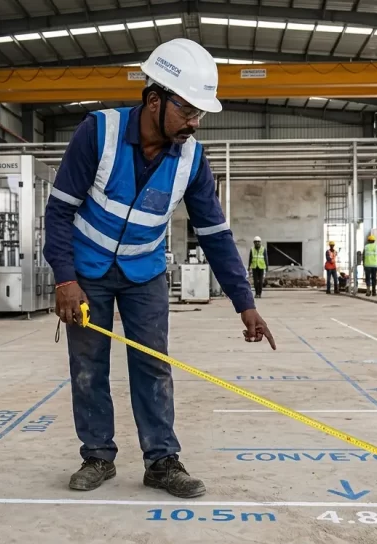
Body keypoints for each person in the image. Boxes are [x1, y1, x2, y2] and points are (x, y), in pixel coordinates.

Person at [43, 38, 276, 499]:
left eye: (199, 115)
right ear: (154, 99)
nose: (194, 123)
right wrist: (65, 279)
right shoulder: (99, 133)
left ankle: (161, 460)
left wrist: (243, 303)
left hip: (145, 273)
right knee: (88, 366)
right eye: (187, 111)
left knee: (153, 365)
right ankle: (97, 456)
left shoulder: (191, 157)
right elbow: (59, 212)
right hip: (86, 272)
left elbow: (215, 234)